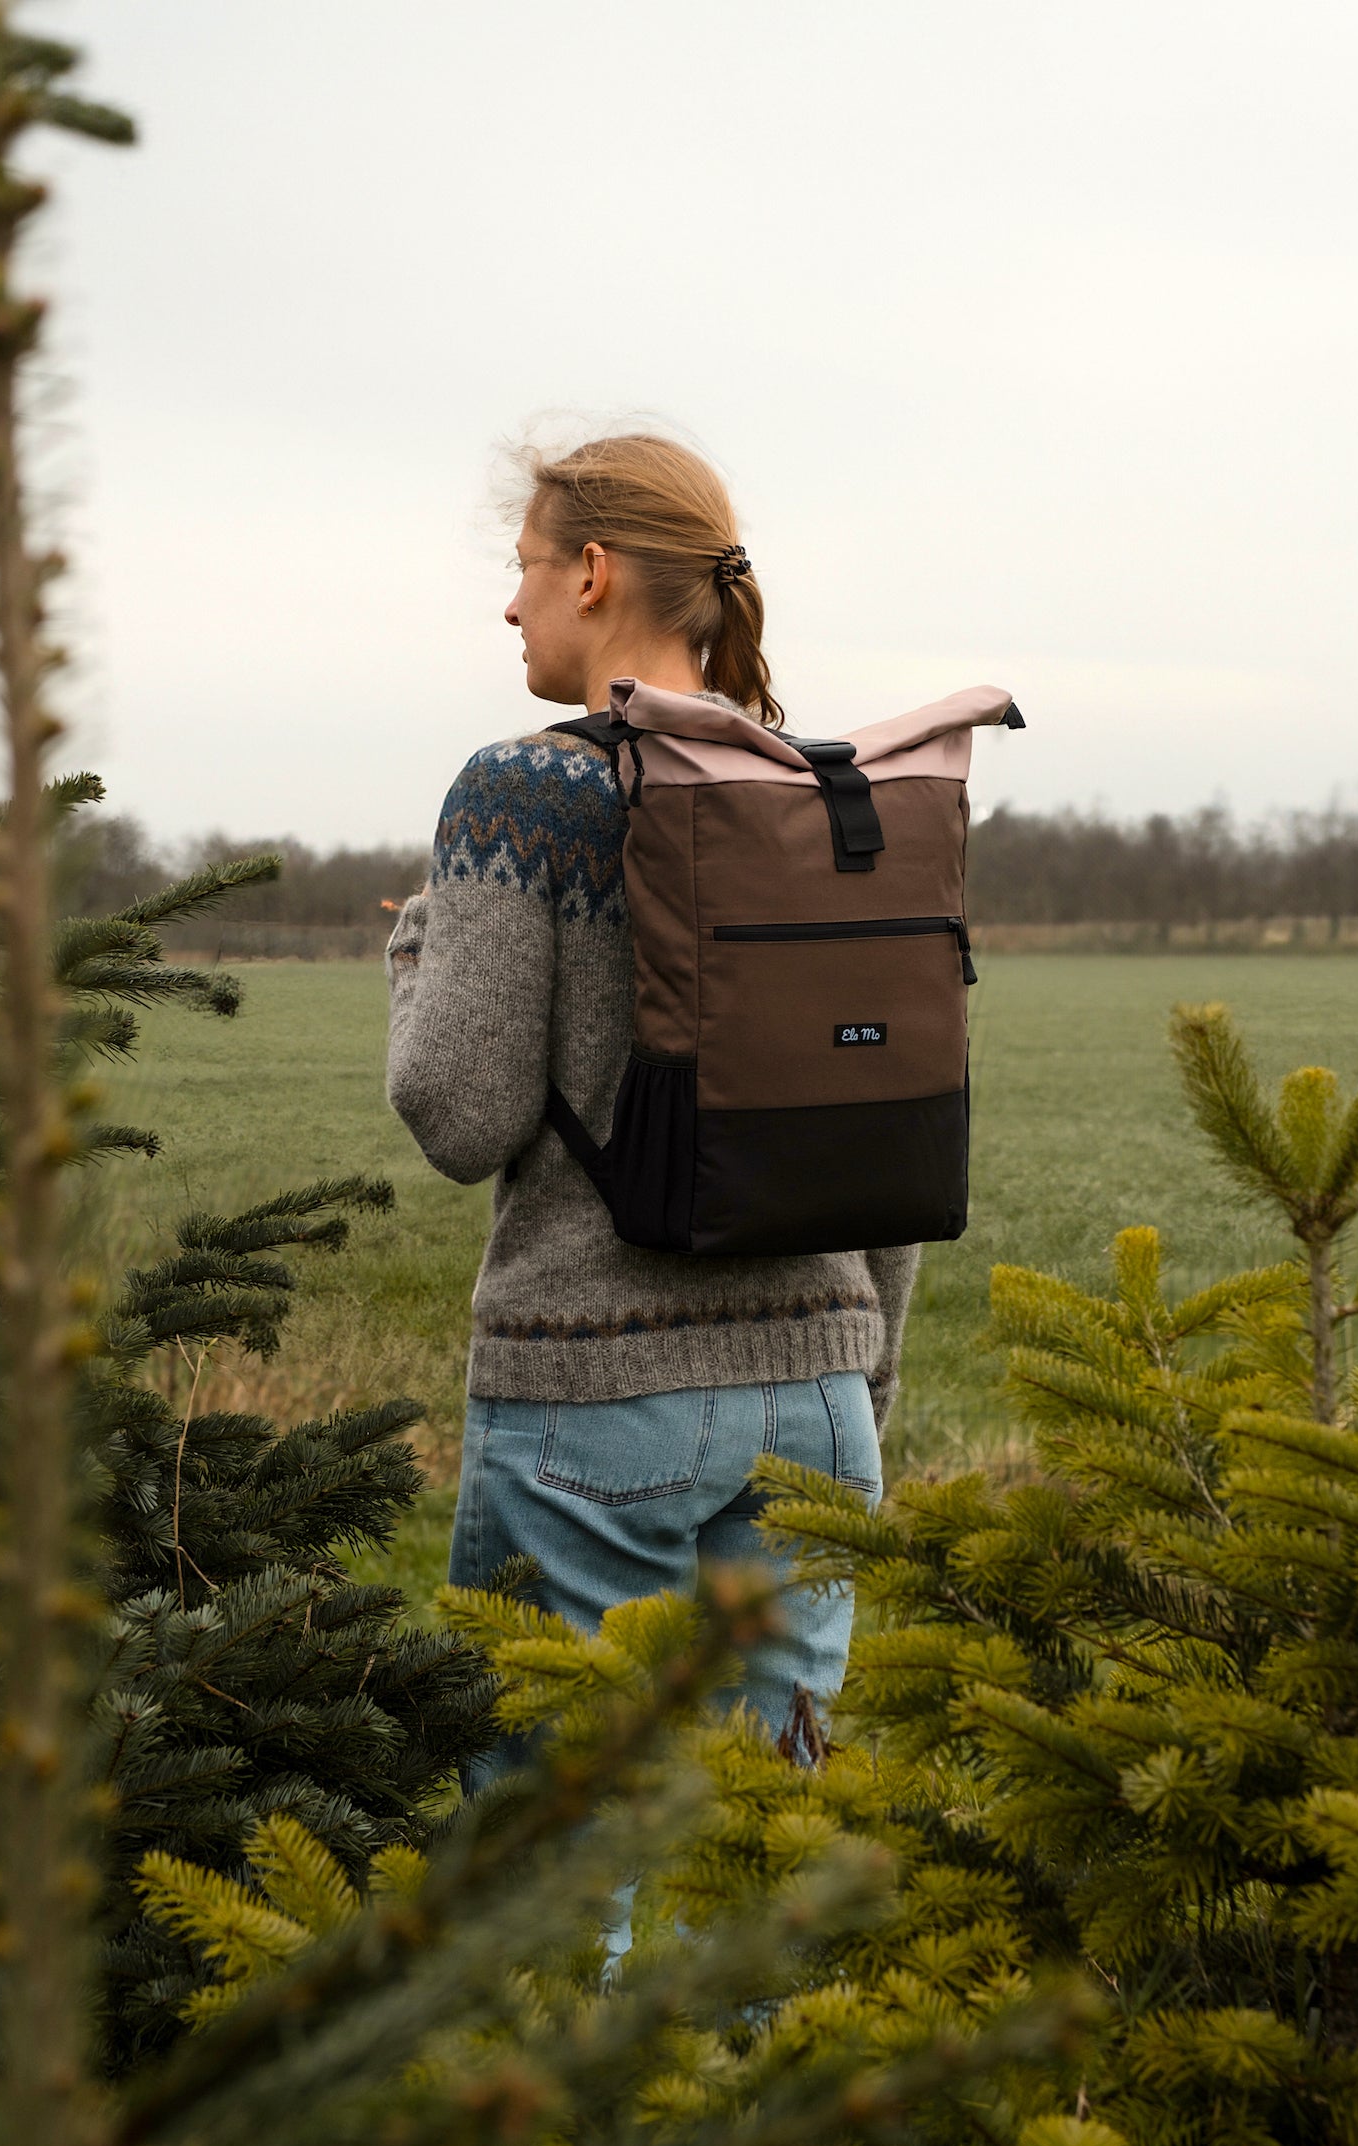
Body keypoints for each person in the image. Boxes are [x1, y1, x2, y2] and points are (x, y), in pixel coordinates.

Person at [385, 431, 918, 1783]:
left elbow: (461, 1115)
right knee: (769, 1856)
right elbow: (881, 1115)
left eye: (525, 568)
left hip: (591, 1391)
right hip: (820, 1398)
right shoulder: (821, 795)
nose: (509, 605)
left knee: (551, 1865)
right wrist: (862, 1374)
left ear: (596, 572)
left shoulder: (521, 795)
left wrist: (413, 953)